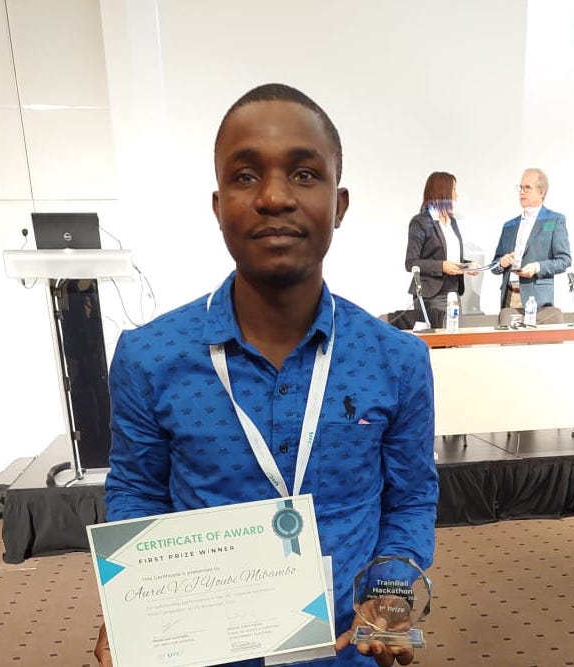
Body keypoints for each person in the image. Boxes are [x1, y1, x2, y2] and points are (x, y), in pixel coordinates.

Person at [93, 83, 439, 667]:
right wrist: (132, 606)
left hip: (348, 649)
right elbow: (138, 493)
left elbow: (410, 499)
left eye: (304, 175)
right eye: (246, 175)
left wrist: (389, 593)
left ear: (339, 204)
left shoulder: (396, 360)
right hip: (203, 652)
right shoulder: (149, 358)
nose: (274, 197)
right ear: (218, 205)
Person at [490, 168, 571, 323]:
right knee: (508, 338)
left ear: (541, 192)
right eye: (521, 188)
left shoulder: (555, 220)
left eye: (527, 188)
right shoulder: (509, 225)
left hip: (538, 300)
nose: (522, 192)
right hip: (510, 298)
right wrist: (501, 263)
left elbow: (564, 260)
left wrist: (537, 267)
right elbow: (495, 265)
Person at [404, 171, 468, 327]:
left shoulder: (451, 222)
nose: (456, 195)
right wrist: (442, 266)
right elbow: (411, 262)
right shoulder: (421, 222)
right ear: (443, 192)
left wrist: (467, 266)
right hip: (432, 295)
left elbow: (450, 256)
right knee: (441, 337)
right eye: (453, 190)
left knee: (457, 337)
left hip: (453, 292)